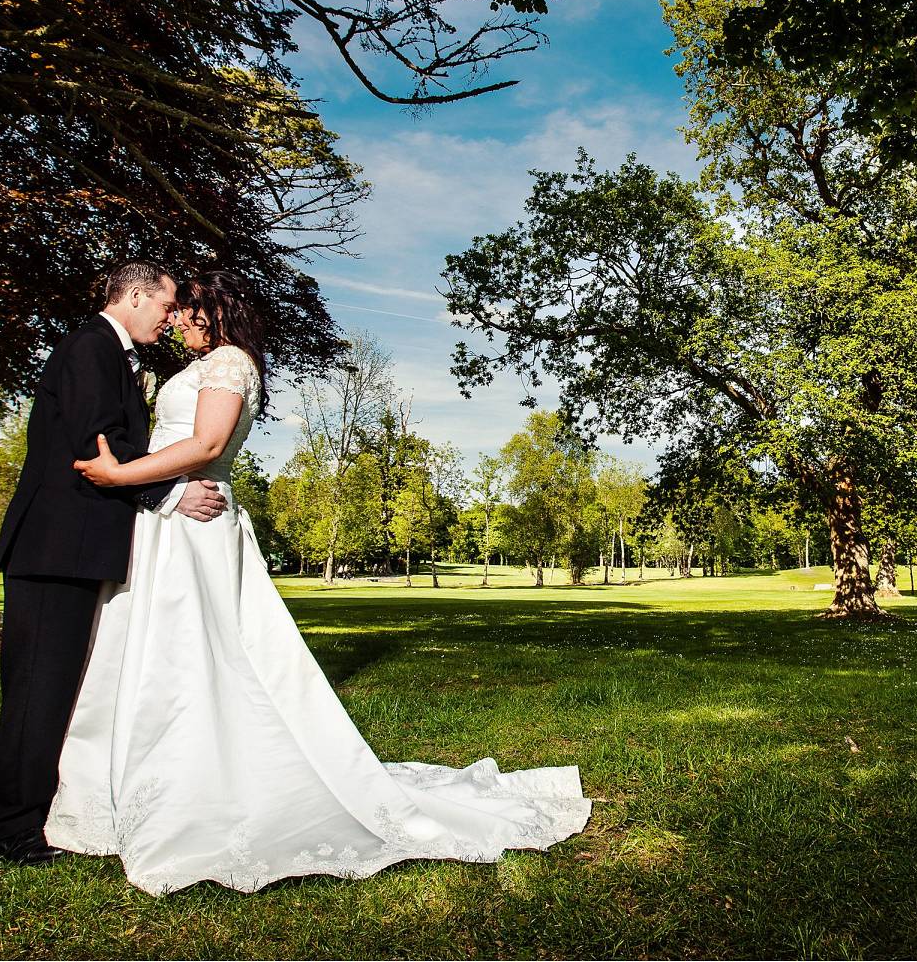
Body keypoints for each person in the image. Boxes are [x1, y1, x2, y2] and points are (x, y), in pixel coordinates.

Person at [45, 271, 589, 894]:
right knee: (154, 650)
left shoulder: (228, 361)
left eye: (184, 310)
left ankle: (194, 785)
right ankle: (120, 787)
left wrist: (123, 477)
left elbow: (208, 441)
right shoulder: (208, 363)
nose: (173, 321)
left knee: (190, 655)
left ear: (212, 313)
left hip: (193, 529)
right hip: (170, 520)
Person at [0, 260, 230, 867]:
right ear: (137, 296)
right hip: (55, 549)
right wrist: (170, 494)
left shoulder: (112, 355)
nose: (172, 319)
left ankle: (35, 812)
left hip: (81, 548)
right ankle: (10, 830)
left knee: (58, 687)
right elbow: (98, 443)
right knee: (39, 689)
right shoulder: (91, 346)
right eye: (167, 306)